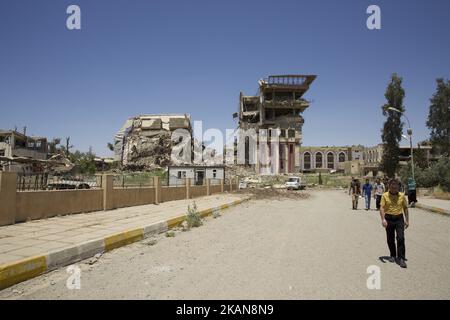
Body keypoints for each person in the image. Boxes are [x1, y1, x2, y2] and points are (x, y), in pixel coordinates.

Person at [380, 179, 409, 268]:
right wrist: (383, 219)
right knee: (390, 238)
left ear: (398, 187)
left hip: (399, 218)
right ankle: (393, 255)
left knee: (400, 238)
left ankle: (401, 258)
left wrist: (407, 220)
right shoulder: (385, 195)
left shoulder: (402, 195)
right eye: (392, 187)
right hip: (388, 218)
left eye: (396, 187)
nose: (394, 188)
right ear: (389, 186)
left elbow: (405, 208)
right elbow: (382, 208)